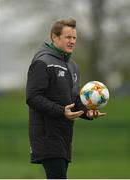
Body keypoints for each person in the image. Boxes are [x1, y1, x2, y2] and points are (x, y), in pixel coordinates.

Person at [26, 18, 106, 179]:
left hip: (64, 135)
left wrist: (87, 112)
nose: (72, 41)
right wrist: (61, 111)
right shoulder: (43, 62)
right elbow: (32, 97)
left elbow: (75, 100)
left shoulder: (72, 66)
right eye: (68, 37)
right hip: (47, 135)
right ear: (54, 37)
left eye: (74, 38)